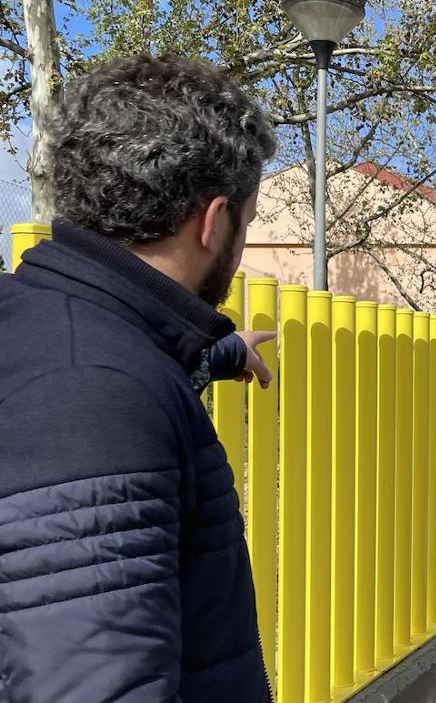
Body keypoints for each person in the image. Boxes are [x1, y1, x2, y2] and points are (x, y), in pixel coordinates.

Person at [0, 55, 277, 702]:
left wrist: (219, 354)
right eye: (248, 221)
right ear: (214, 222)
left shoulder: (46, 329)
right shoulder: (92, 391)